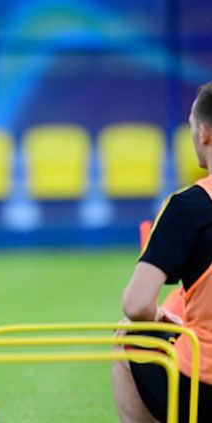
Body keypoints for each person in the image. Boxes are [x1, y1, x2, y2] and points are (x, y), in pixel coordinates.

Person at [112, 82, 212, 422]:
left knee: (129, 333)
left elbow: (137, 303)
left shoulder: (189, 206)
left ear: (204, 134)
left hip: (204, 383)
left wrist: (157, 318)